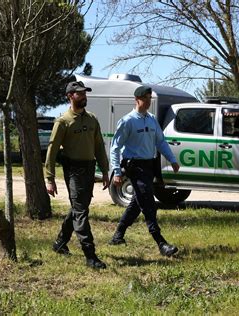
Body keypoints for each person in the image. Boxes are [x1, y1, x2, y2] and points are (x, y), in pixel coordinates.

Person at [109, 85, 180, 257]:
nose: (148, 101)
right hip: (135, 167)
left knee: (136, 202)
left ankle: (118, 235)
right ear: (137, 99)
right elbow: (115, 148)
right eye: (145, 98)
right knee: (148, 203)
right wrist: (117, 171)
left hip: (149, 166)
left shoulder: (152, 119)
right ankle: (161, 242)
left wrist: (172, 159)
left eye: (150, 98)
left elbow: (160, 142)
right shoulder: (127, 121)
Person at [45, 81, 109, 269]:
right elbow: (52, 150)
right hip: (73, 170)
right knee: (81, 211)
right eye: (79, 93)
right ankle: (90, 255)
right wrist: (49, 178)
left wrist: (105, 171)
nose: (84, 96)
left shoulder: (92, 119)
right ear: (70, 96)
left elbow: (99, 146)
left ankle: (59, 243)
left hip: (89, 168)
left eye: (85, 93)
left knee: (77, 208)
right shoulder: (63, 121)